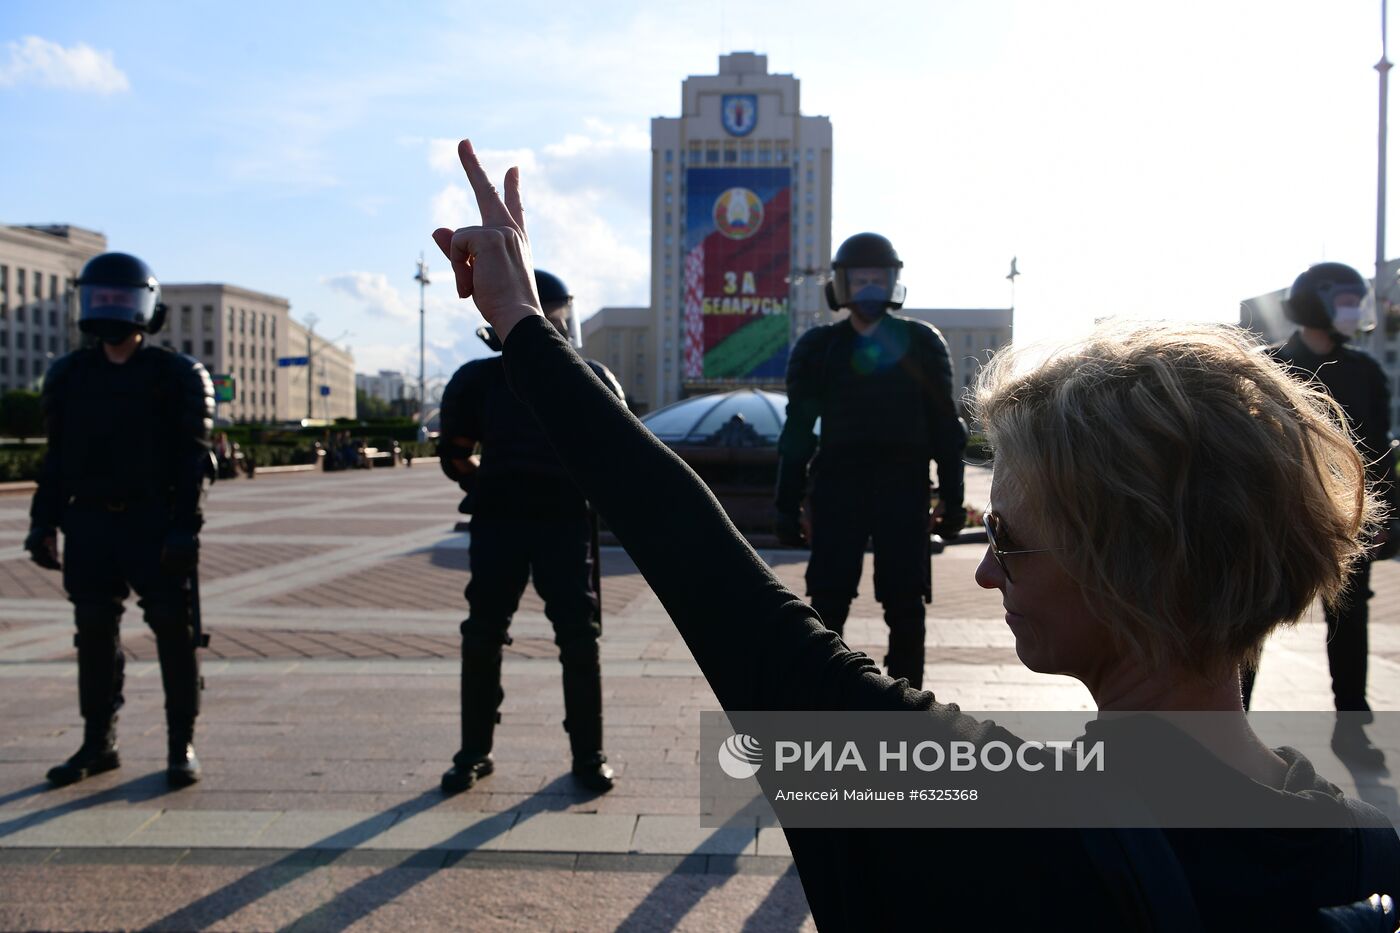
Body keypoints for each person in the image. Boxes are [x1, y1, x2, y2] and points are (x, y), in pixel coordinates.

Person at [431, 140, 1400, 929]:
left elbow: (707, 568)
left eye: (1009, 542)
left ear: (1120, 568)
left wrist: (520, 323)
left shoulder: (968, 822)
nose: (982, 577)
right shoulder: (1366, 865)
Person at [25, 251, 215, 789]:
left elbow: (193, 460)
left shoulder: (177, 375)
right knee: (93, 633)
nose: (110, 309)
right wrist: (43, 523)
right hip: (89, 525)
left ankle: (181, 742)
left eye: (120, 299)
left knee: (173, 634)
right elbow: (55, 458)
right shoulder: (68, 375)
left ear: (146, 308)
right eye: (100, 298)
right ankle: (98, 742)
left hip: (153, 523)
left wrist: (184, 528)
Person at [435, 268, 623, 795]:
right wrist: (498, 483)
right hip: (502, 522)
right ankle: (475, 750)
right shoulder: (478, 381)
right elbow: (454, 455)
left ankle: (588, 752)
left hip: (563, 521)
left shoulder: (590, 376)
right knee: (484, 634)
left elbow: (614, 455)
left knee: (579, 639)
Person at [773, 232, 967, 689]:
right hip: (838, 490)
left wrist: (953, 501)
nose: (869, 289)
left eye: (877, 279)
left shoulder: (922, 342)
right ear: (841, 285)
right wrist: (787, 502)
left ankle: (907, 716)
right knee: (825, 605)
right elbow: (797, 431)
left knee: (906, 606)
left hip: (904, 491)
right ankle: (819, 706)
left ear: (894, 281)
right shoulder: (818, 347)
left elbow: (946, 428)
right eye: (859, 280)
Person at [1242, 262, 1400, 769]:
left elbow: (1376, 451)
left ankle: (1351, 729)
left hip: (1345, 523)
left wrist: (1385, 519)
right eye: (1349, 302)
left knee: (1350, 623)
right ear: (1318, 304)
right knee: (1249, 619)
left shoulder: (1367, 373)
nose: (1357, 313)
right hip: (1273, 519)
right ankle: (1230, 725)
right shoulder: (1269, 367)